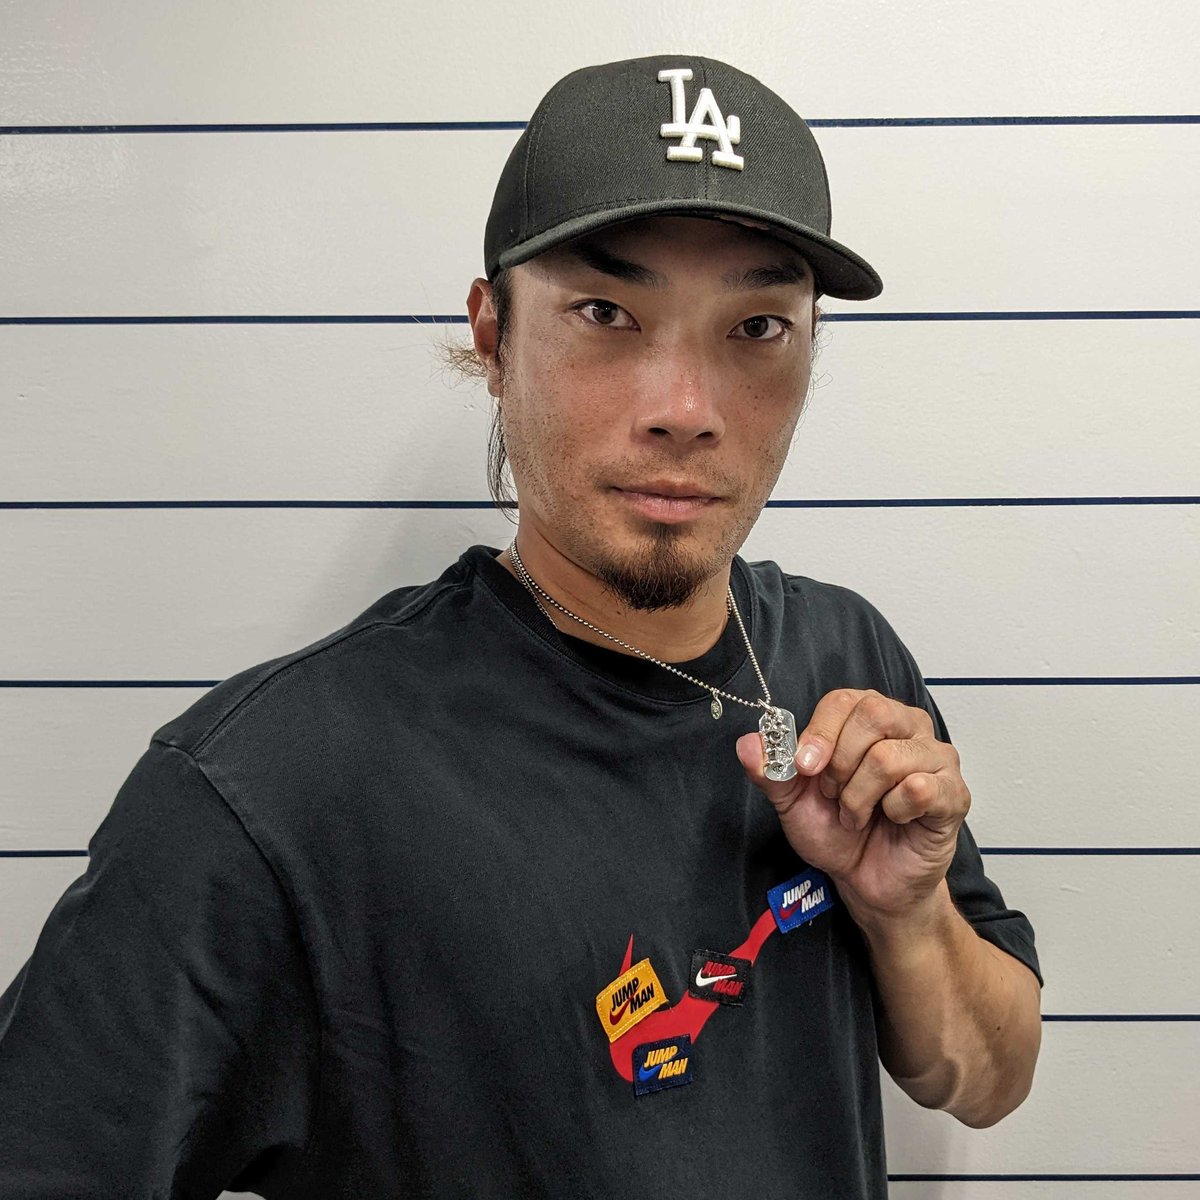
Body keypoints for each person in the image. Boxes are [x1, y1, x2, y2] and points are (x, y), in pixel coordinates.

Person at [0, 54, 1041, 1199]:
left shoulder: (848, 663)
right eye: (606, 313)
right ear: (493, 335)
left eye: (756, 326)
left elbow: (988, 1079)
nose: (686, 411)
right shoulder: (274, 788)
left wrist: (906, 915)